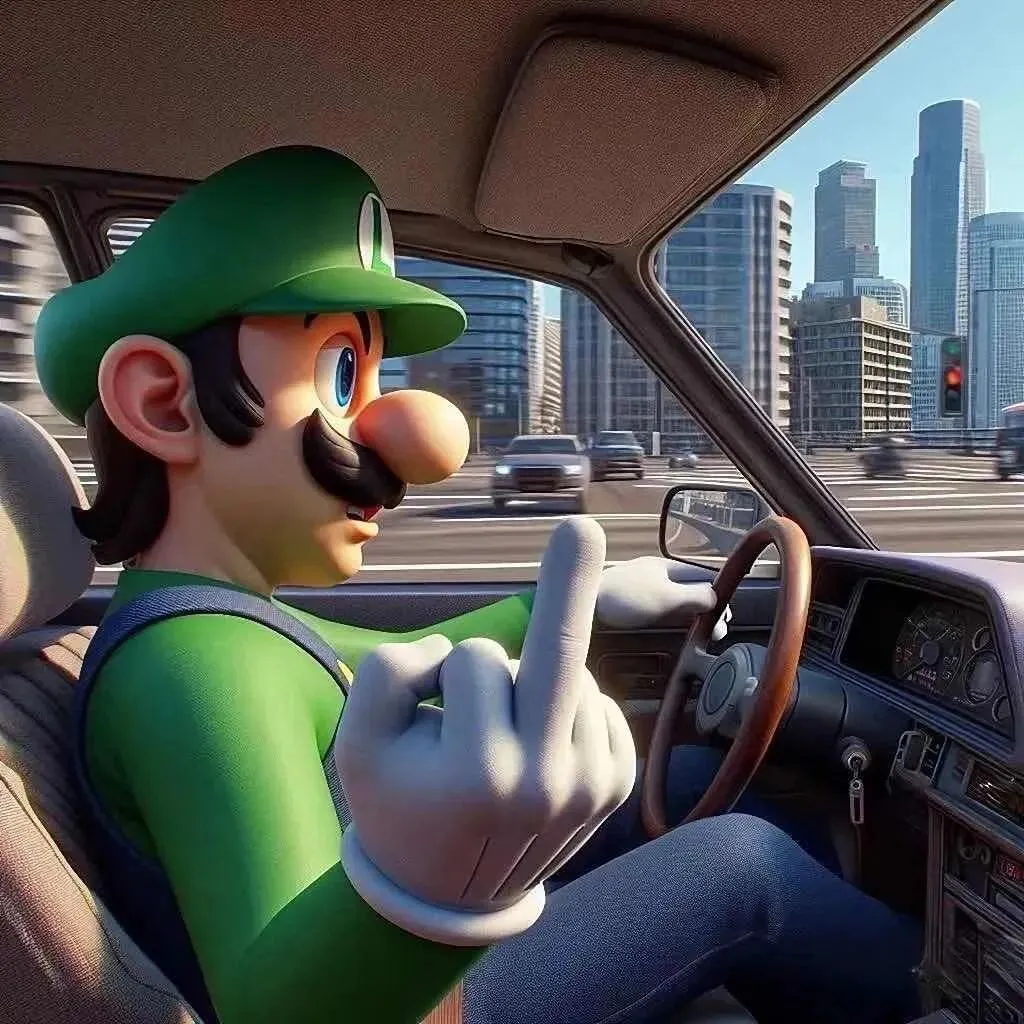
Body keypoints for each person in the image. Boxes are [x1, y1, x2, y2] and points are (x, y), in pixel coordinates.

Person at [35, 145, 920, 1024]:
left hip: (407, 966)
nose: (411, 438)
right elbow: (284, 1008)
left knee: (686, 776)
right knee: (742, 869)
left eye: (376, 377)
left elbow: (391, 654)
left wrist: (575, 608)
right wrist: (434, 886)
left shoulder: (217, 622)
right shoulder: (197, 669)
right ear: (164, 403)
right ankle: (934, 995)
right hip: (434, 1000)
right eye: (342, 375)